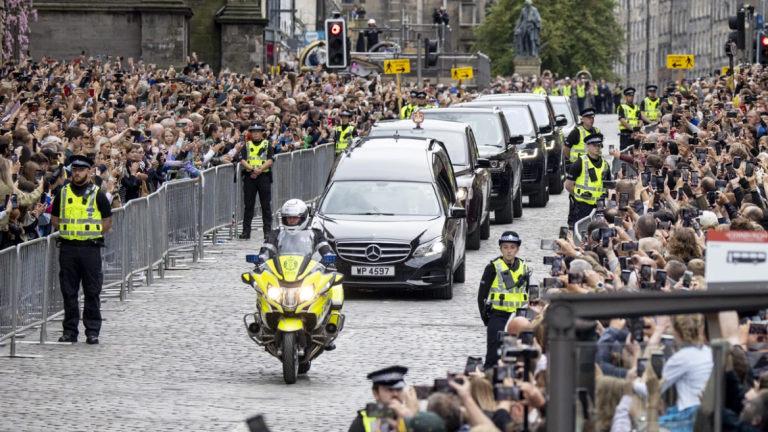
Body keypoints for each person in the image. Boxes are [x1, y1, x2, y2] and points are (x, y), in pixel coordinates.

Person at [50, 155, 113, 345]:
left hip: (90, 248)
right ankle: (69, 330)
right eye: (74, 170)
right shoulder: (62, 193)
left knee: (92, 290)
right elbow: (55, 219)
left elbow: (107, 221)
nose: (77, 173)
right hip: (68, 247)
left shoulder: (97, 194)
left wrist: (92, 234)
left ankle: (92, 331)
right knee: (69, 291)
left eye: (81, 170)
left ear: (88, 172)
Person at [477, 231, 530, 370]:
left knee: (515, 355)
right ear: (500, 249)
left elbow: (526, 292)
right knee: (493, 355)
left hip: (517, 317)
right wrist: (487, 319)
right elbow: (482, 296)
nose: (509, 251)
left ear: (517, 249)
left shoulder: (524, 267)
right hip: (498, 316)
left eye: (512, 247)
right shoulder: (492, 267)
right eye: (505, 247)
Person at [564, 133, 612, 228]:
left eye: (599, 145)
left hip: (599, 206)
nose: (597, 148)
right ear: (588, 146)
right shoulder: (579, 163)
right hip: (583, 206)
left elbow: (608, 185)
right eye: (594, 145)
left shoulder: (605, 164)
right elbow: (568, 185)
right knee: (583, 231)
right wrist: (579, 195)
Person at [348, 366, 412, 432]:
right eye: (389, 390)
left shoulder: (413, 418)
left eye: (399, 389)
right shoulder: (361, 423)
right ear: (376, 394)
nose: (395, 394)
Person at [239, 123, 274, 240]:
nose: (255, 134)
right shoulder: (247, 145)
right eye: (253, 131)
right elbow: (242, 160)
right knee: (249, 205)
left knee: (265, 205)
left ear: (262, 133)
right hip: (250, 177)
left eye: (258, 131)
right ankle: (246, 232)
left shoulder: (267, 144)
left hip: (263, 177)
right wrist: (252, 169)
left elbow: (270, 160)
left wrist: (259, 170)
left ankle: (267, 231)